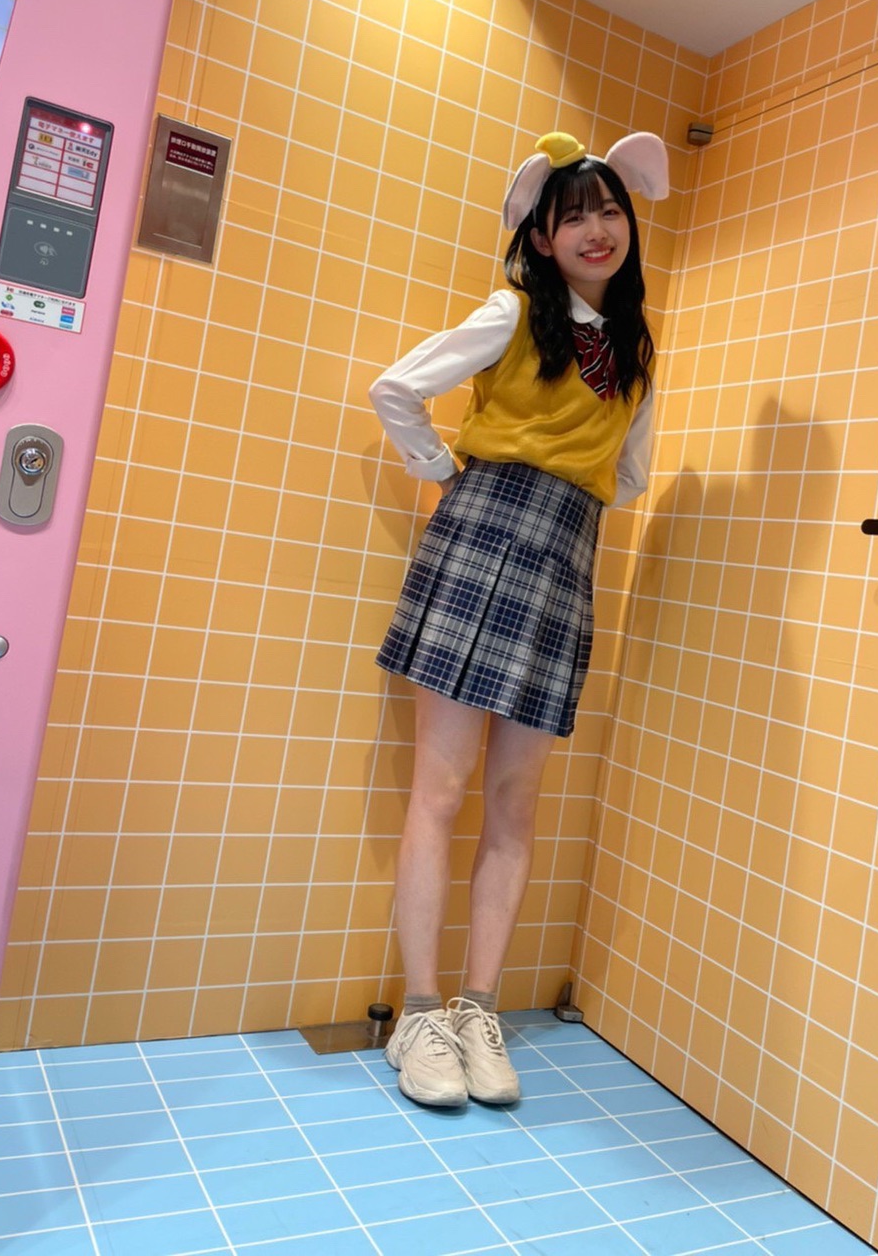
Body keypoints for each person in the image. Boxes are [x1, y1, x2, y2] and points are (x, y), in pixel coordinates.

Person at [368, 129, 669, 1108]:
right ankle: (420, 1015)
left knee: (514, 804)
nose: (596, 229)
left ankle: (479, 1011)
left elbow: (630, 474)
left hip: (565, 559)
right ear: (541, 238)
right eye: (573, 216)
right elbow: (396, 388)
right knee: (441, 789)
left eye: (609, 211)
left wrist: (563, 494)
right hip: (482, 538)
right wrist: (447, 475)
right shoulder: (511, 312)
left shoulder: (635, 351)